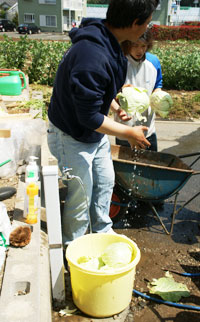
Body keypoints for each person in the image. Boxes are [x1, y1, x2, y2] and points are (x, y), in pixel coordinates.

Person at [47, 0, 159, 247]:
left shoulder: (110, 40)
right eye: (148, 22)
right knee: (81, 194)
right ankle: (73, 247)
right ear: (134, 24)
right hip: (71, 134)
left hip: (92, 133)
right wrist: (128, 132)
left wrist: (116, 101)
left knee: (105, 182)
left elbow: (98, 92)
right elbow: (87, 116)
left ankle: (102, 232)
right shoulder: (92, 56)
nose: (148, 26)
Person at [111, 28, 163, 151]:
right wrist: (119, 91)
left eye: (143, 46)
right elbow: (108, 92)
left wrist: (159, 98)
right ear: (128, 44)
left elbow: (157, 85)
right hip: (125, 130)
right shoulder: (118, 62)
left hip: (148, 130)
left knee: (151, 167)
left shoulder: (153, 62)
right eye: (135, 45)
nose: (140, 50)